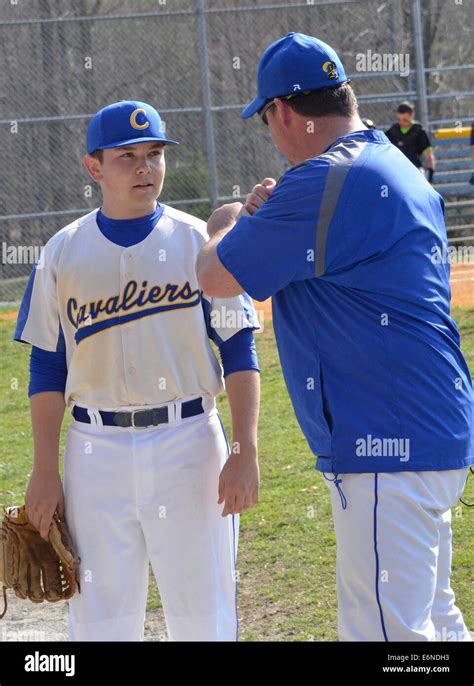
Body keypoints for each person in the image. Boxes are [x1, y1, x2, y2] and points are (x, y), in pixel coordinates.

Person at [197, 33, 473, 642]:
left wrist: (230, 222)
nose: (272, 132)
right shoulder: (388, 160)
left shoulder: (325, 177)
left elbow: (215, 274)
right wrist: (273, 218)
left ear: (287, 113)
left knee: (387, 635)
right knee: (434, 620)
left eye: (269, 118)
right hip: (431, 430)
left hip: (384, 439)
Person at [13, 100, 261, 641]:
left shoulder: (200, 243)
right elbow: (46, 368)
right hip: (93, 452)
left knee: (204, 617)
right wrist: (44, 468)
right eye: (127, 157)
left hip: (190, 442)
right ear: (94, 168)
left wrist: (244, 450)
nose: (145, 168)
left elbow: (240, 351)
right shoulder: (62, 251)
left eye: (155, 154)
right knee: (100, 621)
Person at [385, 101, 436, 183]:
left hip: (415, 169)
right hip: (397, 171)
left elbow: (428, 155)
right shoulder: (392, 130)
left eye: (405, 120)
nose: (401, 122)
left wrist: (430, 173)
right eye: (399, 119)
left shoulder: (419, 131)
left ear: (412, 115)